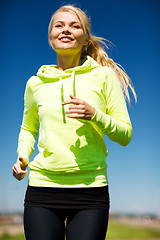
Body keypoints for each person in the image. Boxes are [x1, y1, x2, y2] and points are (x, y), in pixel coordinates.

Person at [12, 5, 136, 240]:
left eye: (74, 25)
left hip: (91, 190)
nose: (66, 30)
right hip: (42, 187)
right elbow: (28, 128)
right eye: (59, 25)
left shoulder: (103, 76)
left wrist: (95, 115)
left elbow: (125, 134)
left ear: (85, 38)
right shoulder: (35, 83)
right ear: (51, 36)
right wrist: (22, 155)